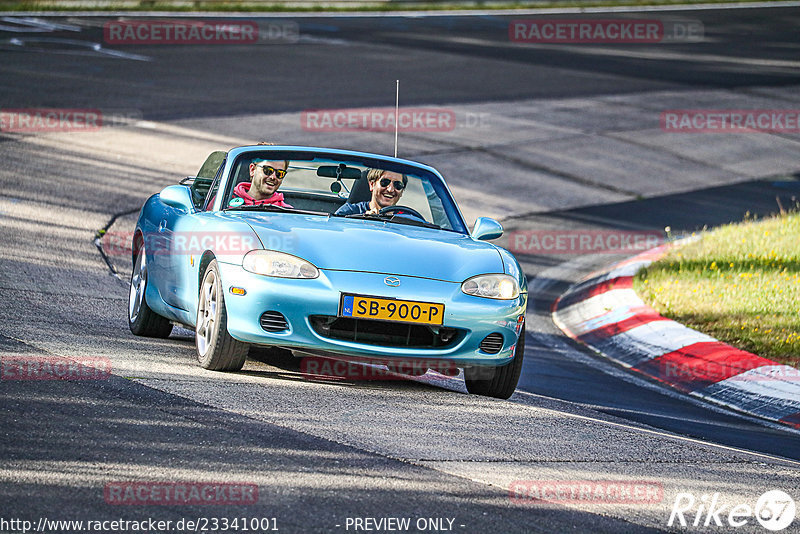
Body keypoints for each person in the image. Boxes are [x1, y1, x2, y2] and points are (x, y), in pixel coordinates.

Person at [335, 169, 406, 216]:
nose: (390, 189)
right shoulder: (348, 212)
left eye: (398, 185)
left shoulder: (408, 219)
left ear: (402, 191)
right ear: (372, 185)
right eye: (385, 182)